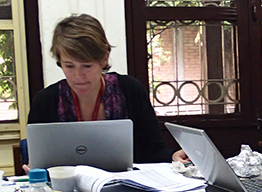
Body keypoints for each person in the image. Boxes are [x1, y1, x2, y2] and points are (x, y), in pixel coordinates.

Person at [26, 13, 189, 172]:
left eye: (87, 66)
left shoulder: (131, 91)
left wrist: (172, 156)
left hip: (126, 189)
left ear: (104, 59)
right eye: (69, 66)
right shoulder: (45, 101)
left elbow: (153, 149)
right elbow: (38, 160)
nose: (78, 75)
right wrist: (33, 169)